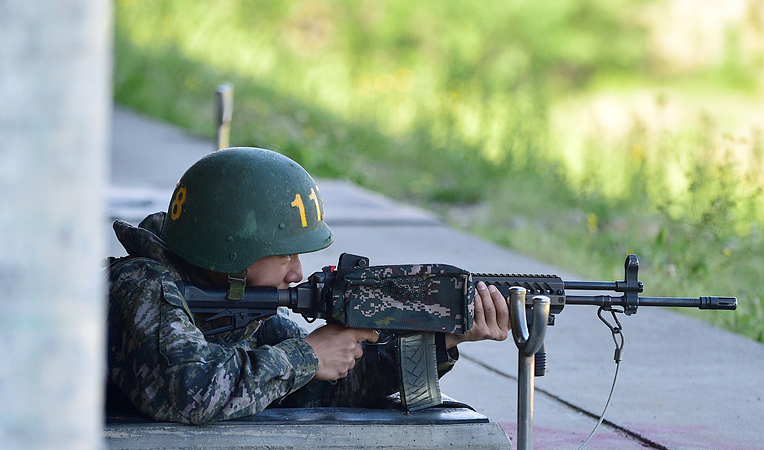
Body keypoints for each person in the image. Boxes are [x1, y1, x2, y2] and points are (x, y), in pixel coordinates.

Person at [106, 147, 509, 424]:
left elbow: (324, 389)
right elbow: (189, 392)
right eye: (284, 255)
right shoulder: (145, 286)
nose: (297, 272)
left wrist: (445, 338)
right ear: (231, 251)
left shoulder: (241, 309)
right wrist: (306, 356)